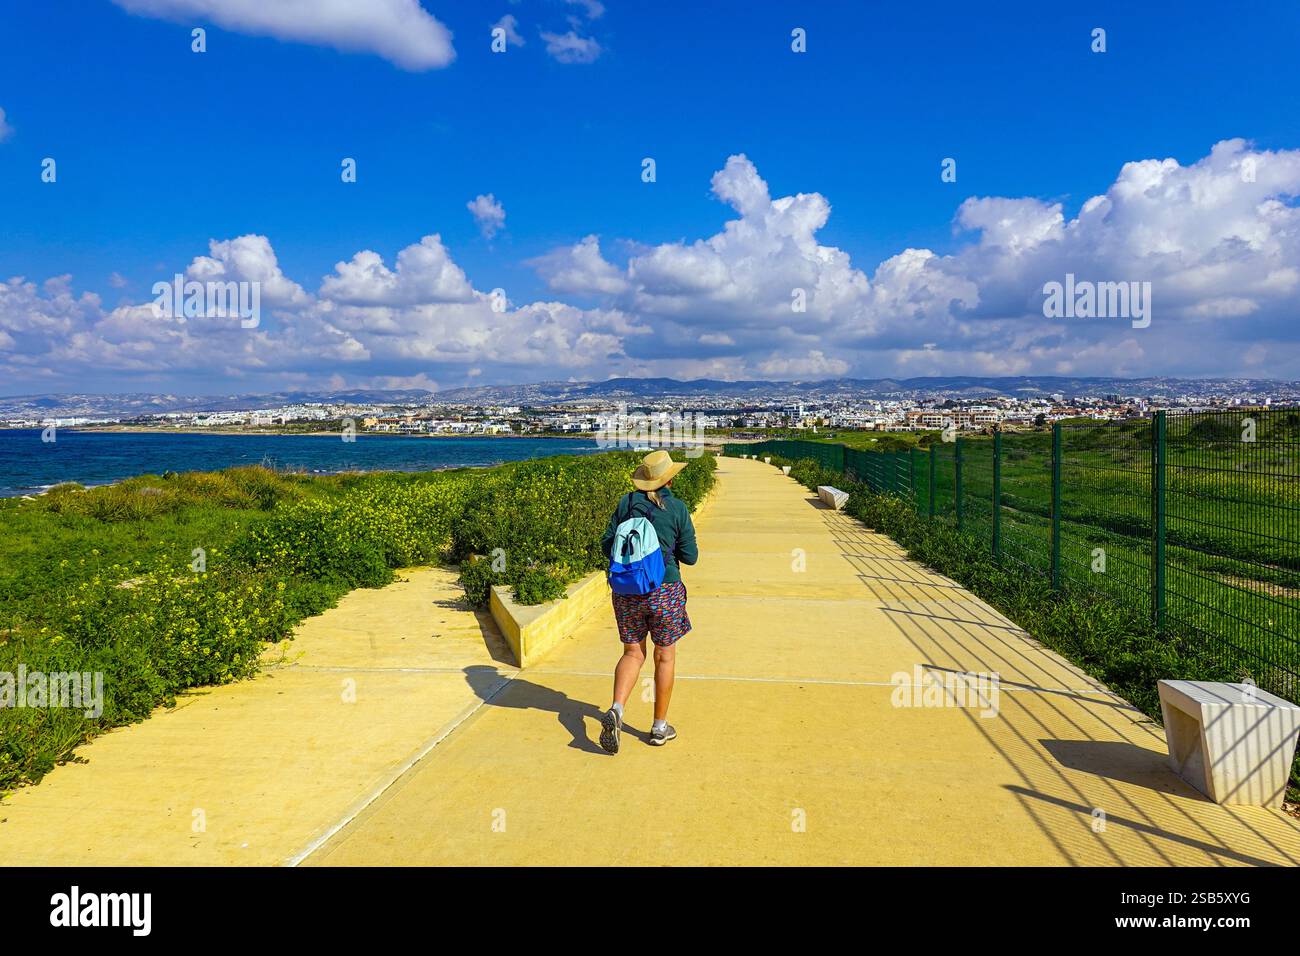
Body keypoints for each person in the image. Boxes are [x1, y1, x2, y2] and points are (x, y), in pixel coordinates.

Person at [598, 450, 698, 753]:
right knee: (664, 657)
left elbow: (607, 544)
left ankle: (616, 708)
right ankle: (659, 727)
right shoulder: (677, 509)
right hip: (664, 591)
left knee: (632, 653)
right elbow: (691, 558)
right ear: (670, 478)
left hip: (627, 591)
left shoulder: (626, 504)